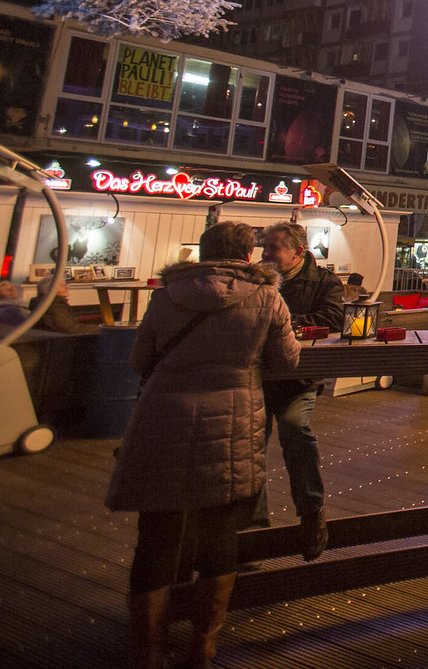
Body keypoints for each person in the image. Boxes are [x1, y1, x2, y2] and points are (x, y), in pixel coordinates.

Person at [105, 221, 299, 669]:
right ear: (249, 255)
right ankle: (203, 646)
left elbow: (139, 360)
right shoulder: (267, 296)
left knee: (156, 537)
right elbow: (287, 360)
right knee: (219, 533)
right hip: (231, 421)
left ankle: (147, 649)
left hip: (163, 419)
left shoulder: (167, 294)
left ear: (201, 252)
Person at [254, 221, 344, 559]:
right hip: (259, 378)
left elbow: (333, 319)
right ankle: (253, 528)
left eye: (273, 248)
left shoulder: (324, 282)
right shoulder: (257, 280)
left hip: (298, 378)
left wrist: (283, 321)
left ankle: (311, 512)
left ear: (298, 252)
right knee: (250, 449)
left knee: (294, 429)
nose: (266, 254)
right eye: (265, 247)